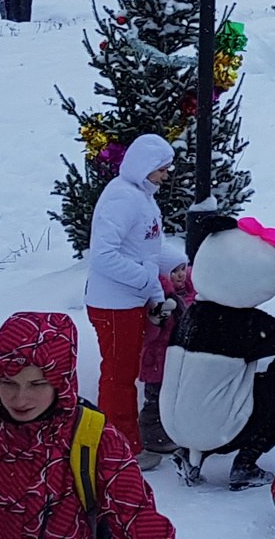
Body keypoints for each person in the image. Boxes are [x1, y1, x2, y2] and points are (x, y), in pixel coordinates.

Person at [0, 311, 176, 539]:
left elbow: (139, 521)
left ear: (61, 382)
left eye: (37, 384)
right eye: (8, 383)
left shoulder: (96, 442)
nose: (20, 398)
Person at [163, 217, 275, 490]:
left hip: (174, 424)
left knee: (221, 391)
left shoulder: (194, 314)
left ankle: (193, 458)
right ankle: (245, 464)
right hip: (216, 429)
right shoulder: (242, 325)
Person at [83, 133, 183, 460]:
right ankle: (118, 450)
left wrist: (183, 263)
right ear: (145, 167)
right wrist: (146, 279)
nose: (167, 175)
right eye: (162, 168)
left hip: (131, 302)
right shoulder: (122, 199)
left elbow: (148, 247)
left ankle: (123, 441)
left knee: (124, 373)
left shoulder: (142, 197)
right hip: (113, 305)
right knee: (118, 376)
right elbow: (102, 256)